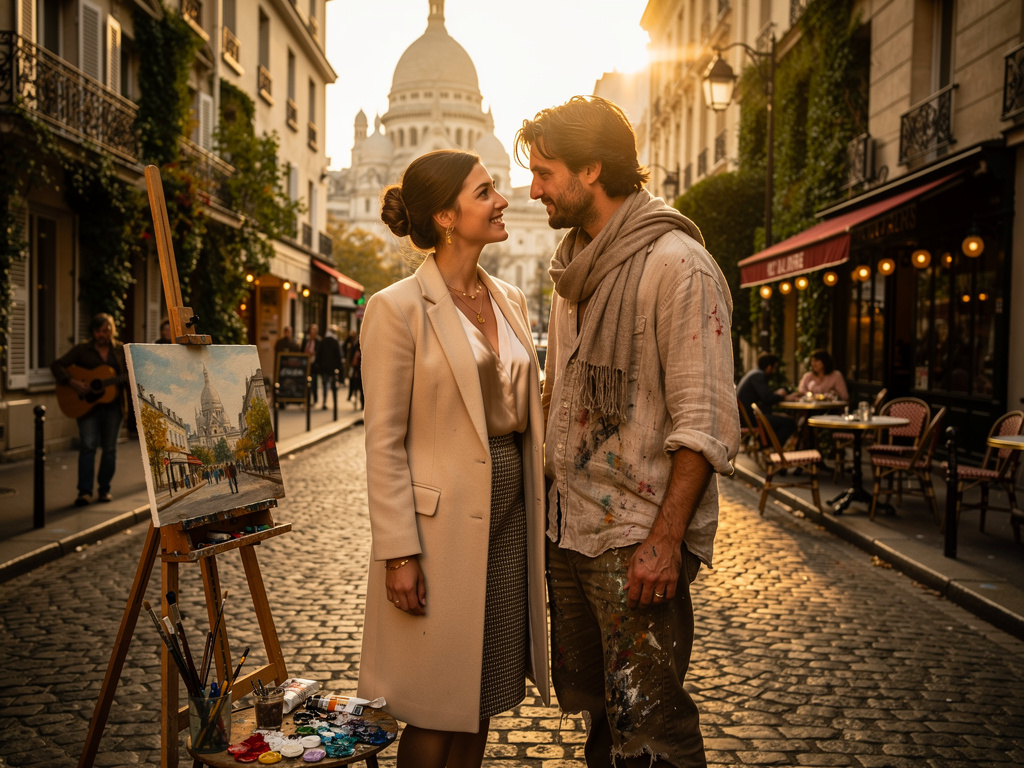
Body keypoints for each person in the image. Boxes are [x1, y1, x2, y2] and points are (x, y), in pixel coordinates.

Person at [515, 96, 739, 767]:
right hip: (571, 531)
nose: (534, 190)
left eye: (545, 173)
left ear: (591, 169)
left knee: (654, 729)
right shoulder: (574, 273)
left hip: (636, 537)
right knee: (603, 717)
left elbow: (704, 422)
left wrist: (664, 541)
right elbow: (559, 396)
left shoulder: (678, 265)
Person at [356, 149, 550, 768]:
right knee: (434, 705)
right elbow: (383, 441)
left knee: (481, 695)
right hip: (438, 534)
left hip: (511, 522)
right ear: (445, 216)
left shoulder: (511, 299)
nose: (503, 200)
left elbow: (520, 406)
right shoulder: (396, 308)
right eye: (485, 191)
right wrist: (399, 552)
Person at [51, 313, 127, 507]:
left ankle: (104, 489)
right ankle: (84, 492)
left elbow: (130, 373)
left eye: (106, 330)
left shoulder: (120, 350)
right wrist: (73, 382)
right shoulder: (82, 350)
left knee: (110, 449)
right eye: (99, 331)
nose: (103, 334)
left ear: (112, 331)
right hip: (87, 407)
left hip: (113, 407)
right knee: (88, 447)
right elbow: (56, 365)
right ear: (93, 332)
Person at [737, 353, 797, 447]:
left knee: (783, 419)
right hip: (751, 419)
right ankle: (772, 449)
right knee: (790, 423)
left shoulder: (755, 373)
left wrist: (778, 395)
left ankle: (767, 447)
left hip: (747, 418)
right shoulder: (759, 375)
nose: (775, 371)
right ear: (769, 367)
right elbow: (767, 398)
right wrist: (782, 396)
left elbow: (765, 395)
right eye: (775, 367)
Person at [316, 325, 343, 408]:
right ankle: (334, 403)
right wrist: (339, 366)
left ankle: (324, 401)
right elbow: (338, 355)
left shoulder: (323, 341)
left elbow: (318, 355)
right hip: (333, 367)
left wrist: (319, 365)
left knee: (325, 384)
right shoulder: (335, 342)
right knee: (333, 385)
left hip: (324, 367)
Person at [301, 323, 321, 404]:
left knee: (314, 382)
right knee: (305, 382)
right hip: (305, 363)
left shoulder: (318, 341)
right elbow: (301, 351)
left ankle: (315, 398)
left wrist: (314, 353)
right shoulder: (305, 340)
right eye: (312, 330)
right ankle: (305, 398)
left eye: (315, 330)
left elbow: (320, 353)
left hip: (314, 364)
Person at [347, 339, 363, 410]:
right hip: (358, 373)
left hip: (356, 372)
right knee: (361, 389)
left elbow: (352, 361)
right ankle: (361, 403)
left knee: (356, 388)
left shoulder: (355, 349)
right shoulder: (359, 350)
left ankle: (356, 401)